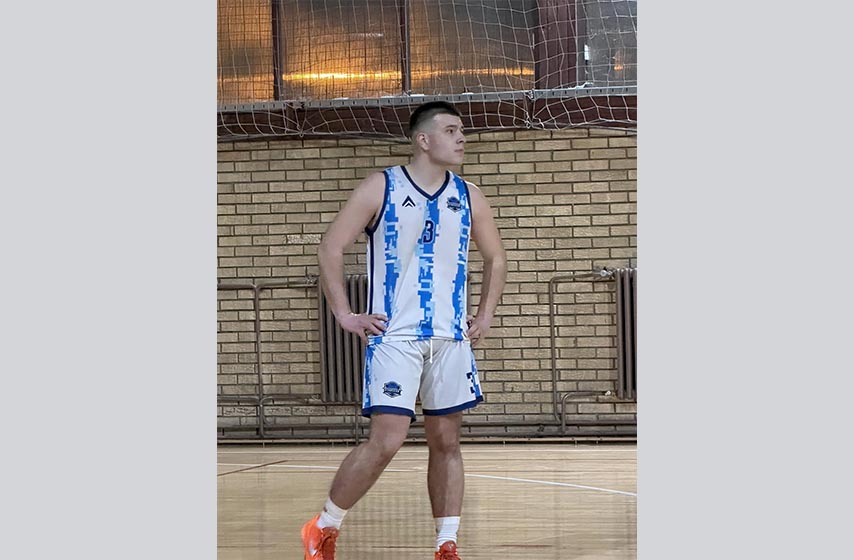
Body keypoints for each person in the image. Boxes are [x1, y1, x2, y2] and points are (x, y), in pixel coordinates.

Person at [302, 101, 507, 560]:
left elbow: (496, 258)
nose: (461, 138)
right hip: (395, 336)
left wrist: (485, 314)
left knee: (447, 441)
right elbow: (331, 247)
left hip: (450, 337)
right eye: (451, 130)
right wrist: (344, 314)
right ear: (423, 140)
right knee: (387, 440)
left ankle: (446, 543)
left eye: (462, 130)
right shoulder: (382, 186)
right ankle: (324, 526)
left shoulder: (470, 195)